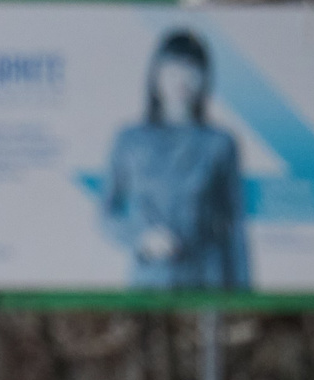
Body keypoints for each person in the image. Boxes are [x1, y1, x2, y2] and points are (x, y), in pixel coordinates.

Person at [102, 28, 249, 291]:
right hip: (150, 280)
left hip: (206, 279)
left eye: (191, 70)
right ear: (155, 75)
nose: (182, 79)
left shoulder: (220, 143)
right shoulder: (129, 141)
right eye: (173, 70)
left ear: (205, 77)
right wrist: (142, 237)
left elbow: (234, 227)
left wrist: (242, 295)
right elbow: (107, 214)